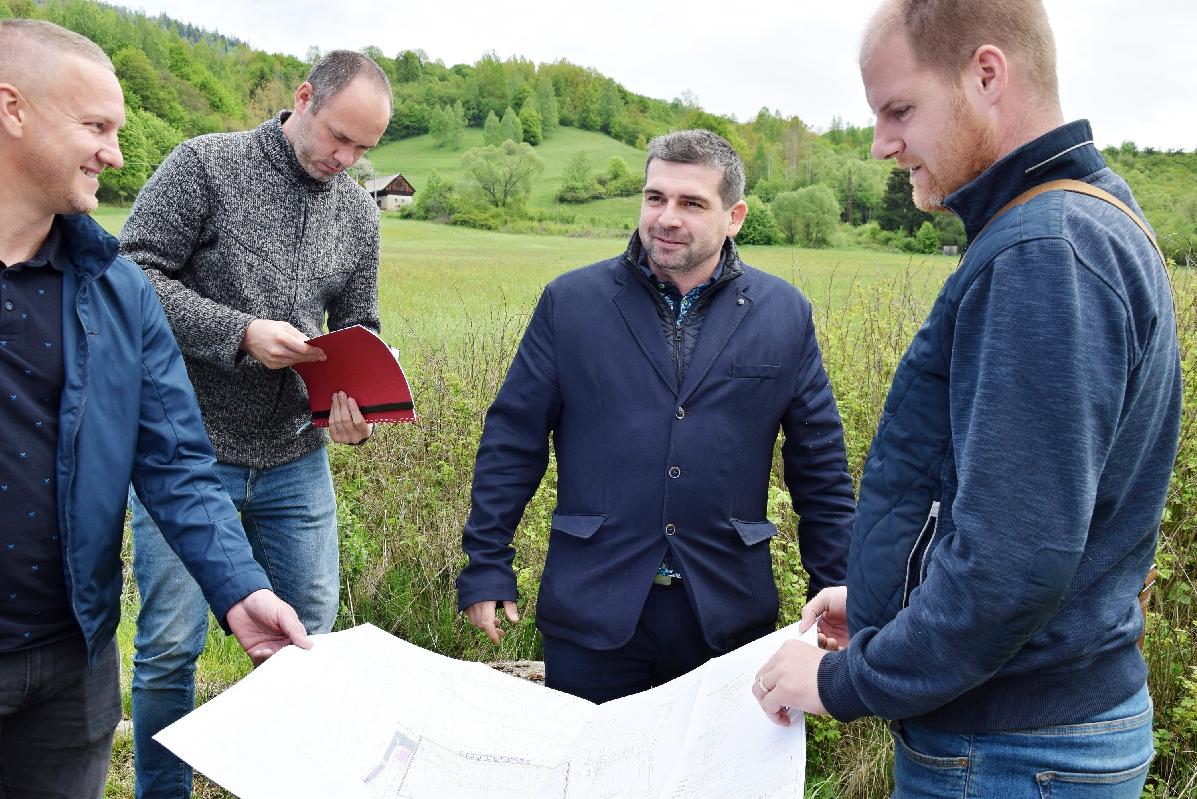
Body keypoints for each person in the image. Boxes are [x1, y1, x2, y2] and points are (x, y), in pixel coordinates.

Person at [752, 2, 1182, 795]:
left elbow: (1010, 565)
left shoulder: (1044, 252)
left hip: (1011, 752)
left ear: (986, 74)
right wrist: (893, 600)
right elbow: (1022, 511)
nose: (883, 143)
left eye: (899, 109)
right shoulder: (1085, 216)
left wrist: (842, 682)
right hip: (1036, 734)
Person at [0, 19, 311, 798]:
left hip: (70, 666)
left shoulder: (118, 290)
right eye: (96, 126)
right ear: (12, 109)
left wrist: (240, 589)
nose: (115, 152)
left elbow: (175, 458)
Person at [456, 129, 854, 703]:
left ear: (733, 216)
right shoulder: (572, 302)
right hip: (592, 607)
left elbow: (820, 465)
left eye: (691, 203)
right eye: (655, 197)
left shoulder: (783, 313)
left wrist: (835, 583)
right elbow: (513, 439)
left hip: (724, 614)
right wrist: (487, 561)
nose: (666, 217)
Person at [118, 51, 392, 798]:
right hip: (184, 453)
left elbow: (359, 327)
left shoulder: (359, 212)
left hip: (297, 459)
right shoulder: (204, 165)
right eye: (339, 138)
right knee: (171, 646)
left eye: (365, 149)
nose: (348, 159)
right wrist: (239, 331)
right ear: (303, 98)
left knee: (309, 639)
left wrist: (357, 411)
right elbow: (131, 273)